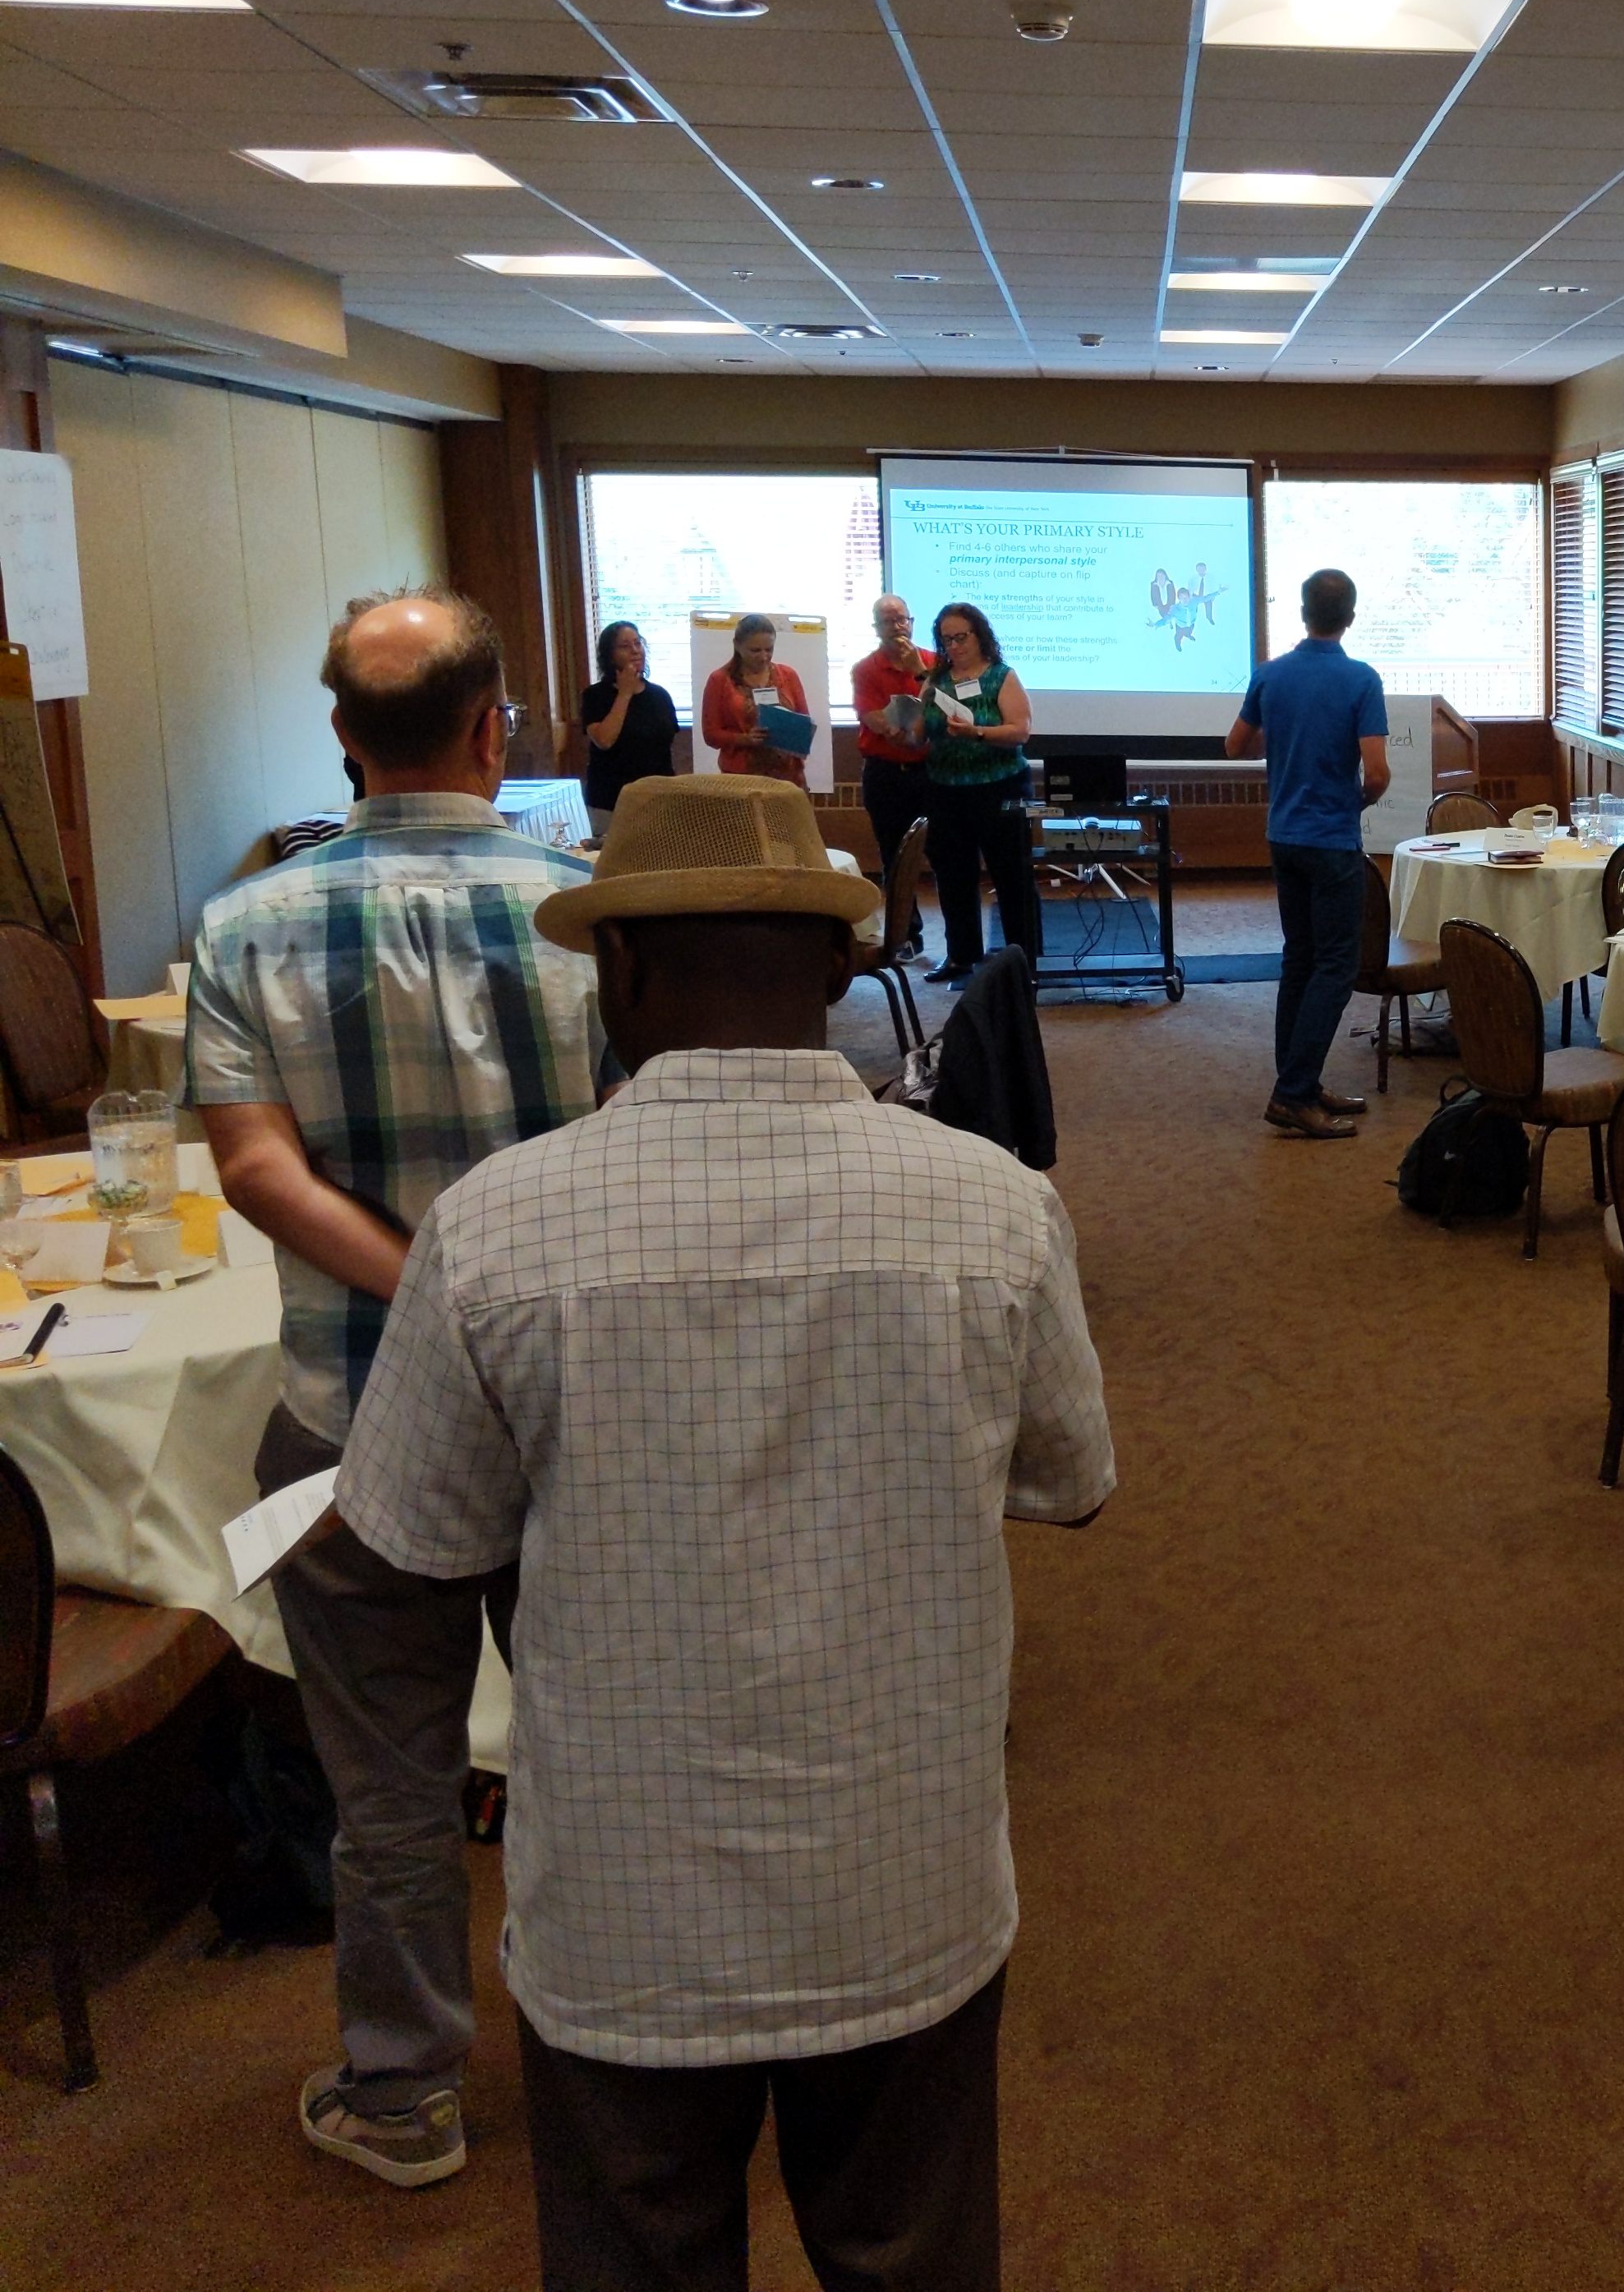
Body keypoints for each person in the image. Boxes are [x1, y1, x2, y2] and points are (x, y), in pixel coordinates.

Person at [334, 776, 1114, 2286]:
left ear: (617, 967)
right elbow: (1073, 1479)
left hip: (625, 1921)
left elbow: (418, 1540)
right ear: (838, 965)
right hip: (906, 1888)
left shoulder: (493, 1227)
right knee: (912, 2252)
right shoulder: (994, 1207)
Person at [185, 587, 610, 2189]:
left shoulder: (245, 925)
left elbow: (256, 1171)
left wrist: (424, 1292)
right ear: (495, 729)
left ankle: (403, 2092)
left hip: (349, 1420)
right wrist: (495, 1297)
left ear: (342, 740)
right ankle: (615, 2055)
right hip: (571, 1416)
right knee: (594, 1750)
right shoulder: (589, 913)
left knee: (387, 1785)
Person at [1227, 567, 1389, 1139]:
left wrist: (1289, 744)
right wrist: (1355, 801)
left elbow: (1236, 746)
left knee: (1299, 958)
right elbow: (1377, 773)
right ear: (1350, 617)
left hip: (1284, 836)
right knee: (1336, 966)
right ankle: (1294, 1092)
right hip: (1332, 839)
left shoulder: (1270, 675)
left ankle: (1299, 1080)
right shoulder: (1361, 680)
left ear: (1302, 613)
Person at [920, 601, 1042, 983]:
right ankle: (961, 955)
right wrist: (902, 726)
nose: (954, 646)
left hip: (1000, 788)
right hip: (946, 790)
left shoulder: (1001, 676)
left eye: (961, 637)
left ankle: (1023, 958)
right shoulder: (935, 680)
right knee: (953, 876)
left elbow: (1020, 731)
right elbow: (920, 733)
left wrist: (976, 733)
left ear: (980, 635)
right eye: (946, 640)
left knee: (1012, 875)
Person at [851, 591, 933, 888]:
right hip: (885, 775)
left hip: (930, 772)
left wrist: (919, 671)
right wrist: (895, 733)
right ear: (876, 628)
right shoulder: (865, 669)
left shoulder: (933, 662)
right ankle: (904, 920)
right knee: (894, 856)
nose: (897, 627)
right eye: (888, 622)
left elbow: (946, 707)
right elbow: (872, 716)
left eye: (902, 620)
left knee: (943, 852)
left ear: (912, 623)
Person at [575, 619, 679, 840]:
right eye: (625, 646)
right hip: (611, 802)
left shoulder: (660, 696)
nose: (635, 650)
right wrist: (625, 693)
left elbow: (666, 750)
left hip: (658, 799)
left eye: (638, 643)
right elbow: (604, 740)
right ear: (610, 656)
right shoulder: (595, 696)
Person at [699, 613, 809, 783]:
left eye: (769, 649)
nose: (764, 657)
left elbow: (805, 722)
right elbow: (711, 735)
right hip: (742, 779)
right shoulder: (719, 680)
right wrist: (745, 739)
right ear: (737, 645)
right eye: (755, 651)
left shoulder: (788, 675)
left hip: (788, 778)